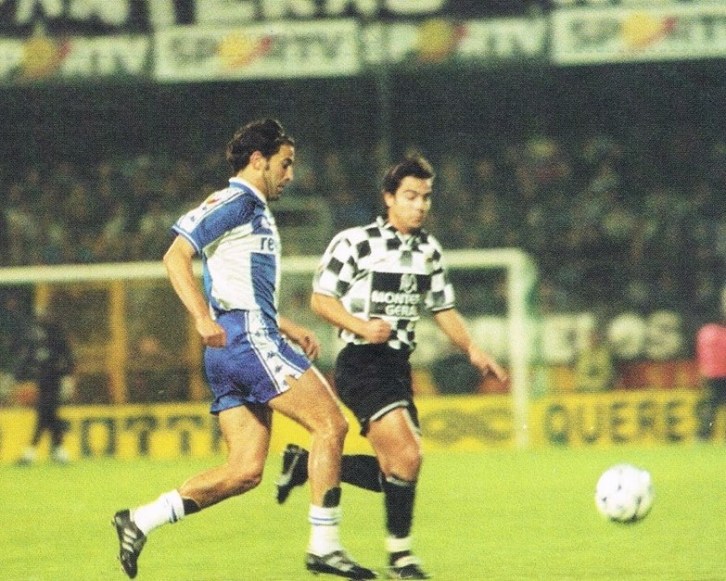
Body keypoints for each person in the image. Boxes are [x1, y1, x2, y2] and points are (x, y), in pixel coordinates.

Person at [112, 119, 376, 580]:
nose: (290, 174)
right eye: (285, 164)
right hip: (246, 340)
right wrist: (201, 317)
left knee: (245, 470)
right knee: (330, 425)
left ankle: (140, 520)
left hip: (233, 348)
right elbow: (175, 255)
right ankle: (325, 546)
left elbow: (233, 283)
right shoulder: (237, 201)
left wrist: (285, 324)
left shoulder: (250, 210)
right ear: (258, 160)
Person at [276, 155, 508, 579]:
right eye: (410, 196)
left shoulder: (429, 251)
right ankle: (400, 558)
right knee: (408, 455)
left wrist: (473, 348)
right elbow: (321, 300)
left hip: (398, 366)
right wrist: (361, 326)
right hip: (361, 362)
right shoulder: (356, 242)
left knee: (399, 469)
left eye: (426, 197)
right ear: (389, 198)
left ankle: (306, 463)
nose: (420, 206)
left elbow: (443, 308)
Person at [14, 307, 75, 465]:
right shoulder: (37, 340)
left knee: (44, 415)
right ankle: (58, 451)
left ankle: (31, 452)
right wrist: (20, 376)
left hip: (54, 382)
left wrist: (67, 378)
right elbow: (28, 360)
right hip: (43, 383)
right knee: (50, 415)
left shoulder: (57, 338)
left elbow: (69, 359)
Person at [695, 287, 726, 440]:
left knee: (709, 407)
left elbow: (702, 357)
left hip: (711, 375)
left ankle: (703, 436)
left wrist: (703, 374)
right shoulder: (720, 334)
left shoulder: (705, 332)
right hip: (722, 374)